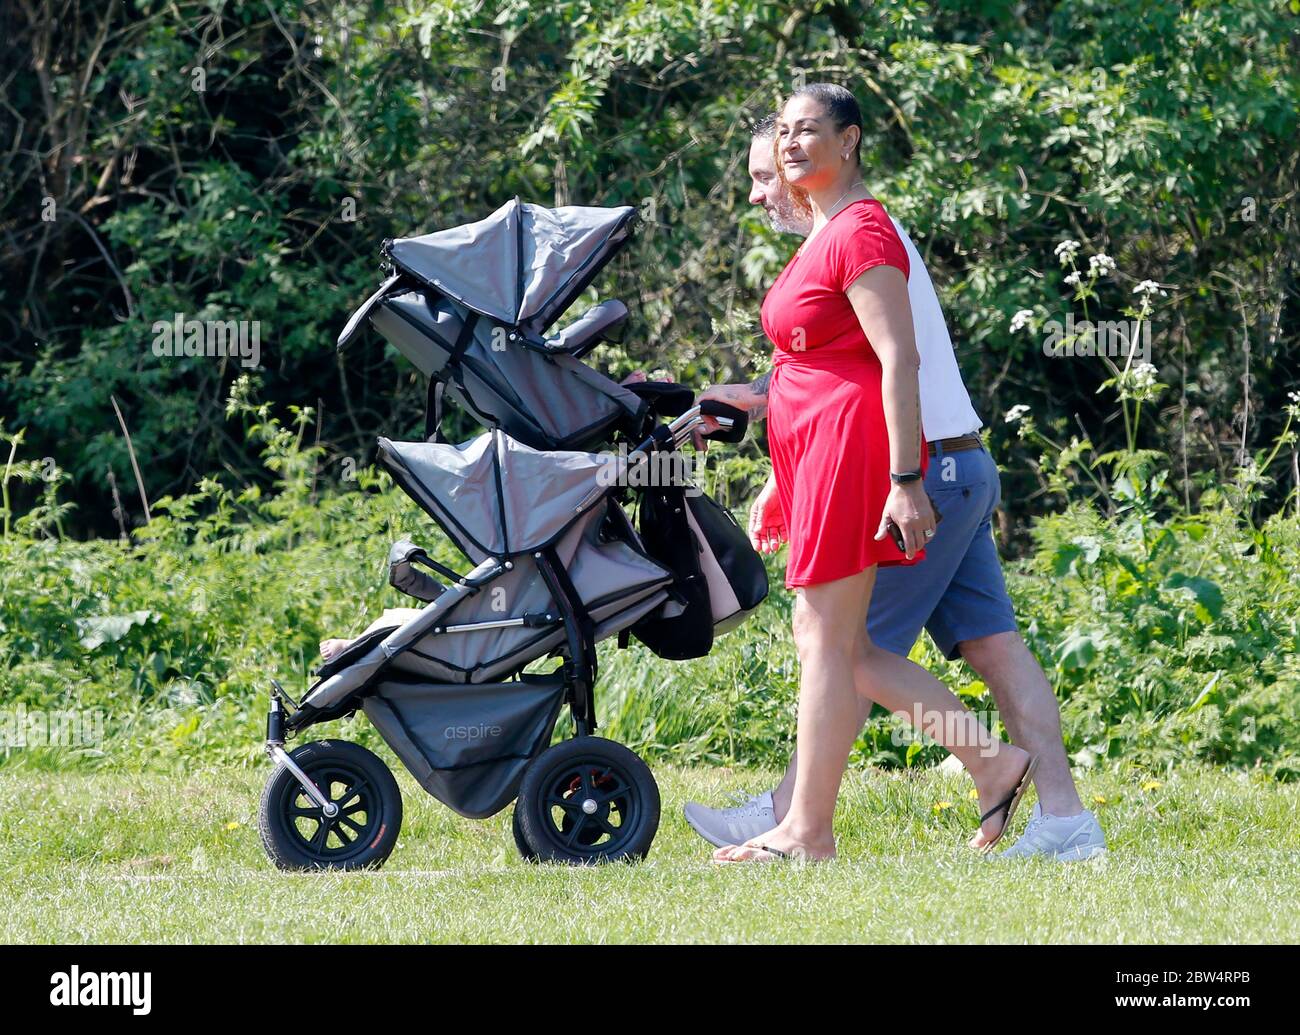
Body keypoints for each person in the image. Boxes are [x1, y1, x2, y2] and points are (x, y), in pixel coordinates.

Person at [684, 95, 1106, 862]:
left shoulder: (859, 232)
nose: (764, 184)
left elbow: (889, 362)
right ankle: (1066, 819)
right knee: (988, 647)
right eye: (774, 147)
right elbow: (817, 366)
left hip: (923, 467)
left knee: (843, 649)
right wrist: (774, 443)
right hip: (951, 461)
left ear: (845, 144)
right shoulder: (827, 239)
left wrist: (906, 475)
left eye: (771, 165)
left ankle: (799, 814)